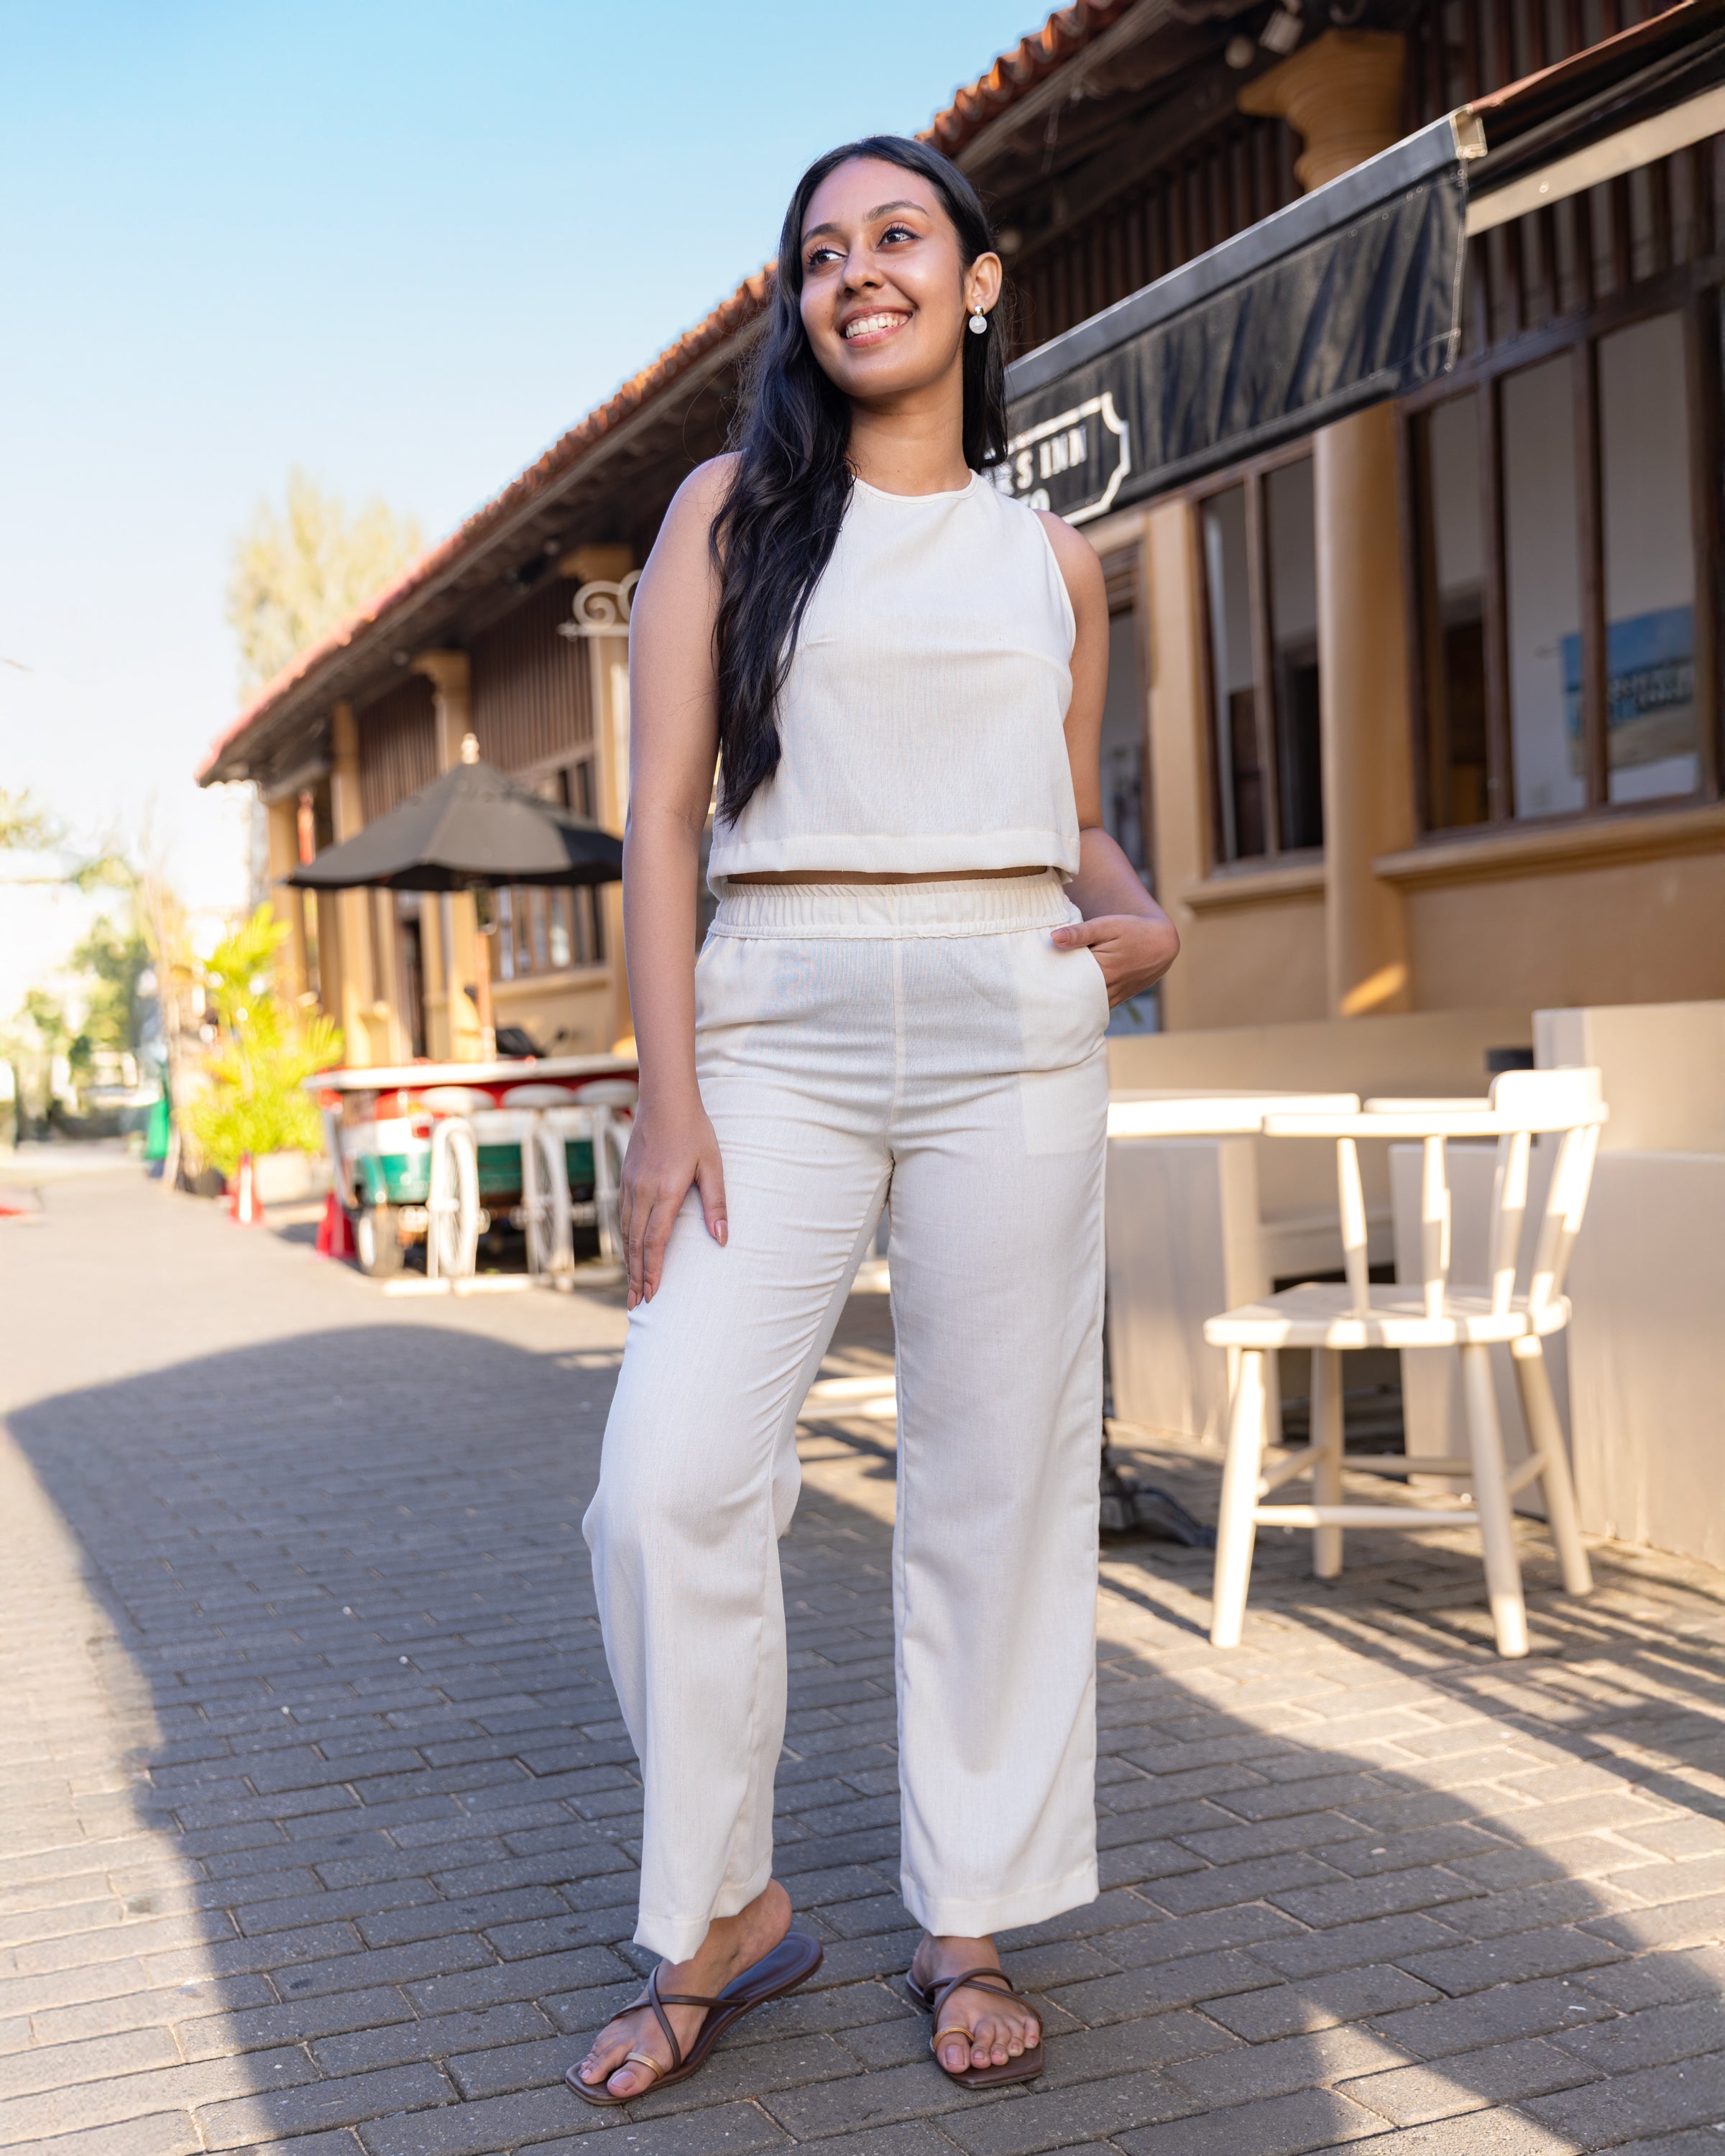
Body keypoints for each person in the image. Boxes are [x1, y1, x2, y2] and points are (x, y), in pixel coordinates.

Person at [571, 134, 1179, 2107]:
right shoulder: (726, 516)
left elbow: (1057, 802)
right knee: (663, 1482)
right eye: (822, 253)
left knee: (997, 1484)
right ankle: (721, 1913)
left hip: (1015, 1020)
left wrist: (1141, 903)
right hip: (776, 1027)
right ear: (803, 304)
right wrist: (668, 1098)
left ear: (980, 284)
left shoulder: (1049, 557)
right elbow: (665, 817)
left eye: (898, 237)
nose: (859, 273)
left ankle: (971, 1915)